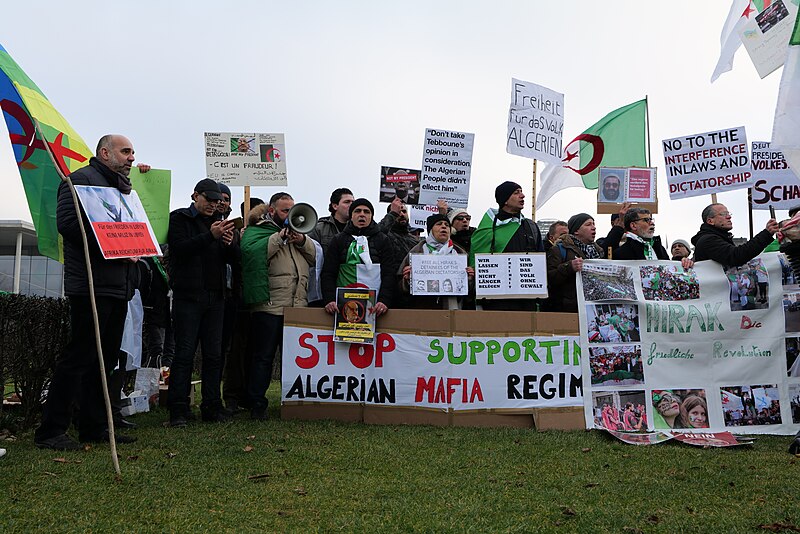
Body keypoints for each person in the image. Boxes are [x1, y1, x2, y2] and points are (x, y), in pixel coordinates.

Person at [34, 134, 145, 450]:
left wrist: (129, 246)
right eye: (125, 151)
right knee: (80, 357)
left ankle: (94, 427)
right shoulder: (79, 181)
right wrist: (116, 243)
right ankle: (51, 430)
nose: (131, 157)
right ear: (104, 152)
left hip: (119, 284)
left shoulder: (124, 188)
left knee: (106, 359)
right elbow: (69, 225)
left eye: (133, 152)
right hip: (91, 285)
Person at [167, 178, 239, 427]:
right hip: (188, 296)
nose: (213, 205)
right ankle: (178, 408)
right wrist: (211, 236)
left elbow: (233, 260)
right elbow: (179, 249)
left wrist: (230, 245)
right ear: (195, 195)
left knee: (214, 355)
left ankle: (212, 406)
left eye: (217, 201)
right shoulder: (179, 218)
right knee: (184, 354)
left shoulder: (219, 224)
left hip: (216, 296)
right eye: (208, 199)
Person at [241, 193, 315, 420]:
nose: (289, 214)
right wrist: (279, 237)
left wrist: (301, 241)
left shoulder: (299, 234)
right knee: (263, 357)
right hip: (269, 306)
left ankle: (292, 402)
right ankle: (257, 404)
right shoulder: (257, 230)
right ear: (271, 211)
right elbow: (252, 254)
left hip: (296, 307)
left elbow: (314, 258)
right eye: (285, 210)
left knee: (294, 359)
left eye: (292, 209)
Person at [472, 181, 543, 311]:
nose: (523, 196)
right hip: (496, 299)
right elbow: (476, 260)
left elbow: (541, 259)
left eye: (521, 192)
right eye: (516, 193)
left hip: (527, 296)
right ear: (505, 200)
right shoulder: (488, 227)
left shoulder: (531, 226)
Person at [322, 198, 395, 317]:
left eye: (366, 212)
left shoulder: (383, 240)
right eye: (357, 211)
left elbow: (389, 273)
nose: (362, 214)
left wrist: (384, 300)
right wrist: (329, 299)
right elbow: (328, 273)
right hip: (343, 306)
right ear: (351, 216)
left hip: (375, 307)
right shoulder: (338, 240)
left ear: (372, 216)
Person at [398, 214, 474, 309]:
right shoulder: (416, 252)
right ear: (430, 230)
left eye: (447, 225)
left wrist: (470, 279)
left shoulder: (460, 253)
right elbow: (400, 288)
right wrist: (407, 279)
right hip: (423, 308)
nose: (443, 226)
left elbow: (468, 292)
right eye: (439, 224)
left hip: (452, 307)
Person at [546, 213, 606, 313]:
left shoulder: (599, 252)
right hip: (569, 309)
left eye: (594, 224)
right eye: (588, 224)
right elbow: (550, 278)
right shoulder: (559, 249)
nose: (593, 227)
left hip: (593, 308)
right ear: (576, 230)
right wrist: (569, 267)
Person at [691, 203, 778, 268]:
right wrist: (766, 234)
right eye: (724, 214)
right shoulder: (708, 240)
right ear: (710, 221)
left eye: (728, 214)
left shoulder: (721, 238)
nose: (729, 217)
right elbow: (736, 256)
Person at [614, 208, 693, 269]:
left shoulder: (658, 247)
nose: (652, 223)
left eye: (651, 219)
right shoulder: (621, 252)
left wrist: (682, 262)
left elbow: (669, 270)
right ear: (633, 226)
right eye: (646, 220)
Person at [379, 196, 421, 271]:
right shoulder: (386, 236)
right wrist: (393, 214)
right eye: (398, 212)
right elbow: (377, 234)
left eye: (404, 212)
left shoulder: (414, 240)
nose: (401, 215)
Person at [308, 187, 354, 254]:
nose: (351, 205)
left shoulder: (358, 228)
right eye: (347, 202)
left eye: (353, 202)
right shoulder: (319, 229)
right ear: (335, 206)